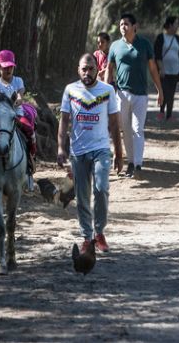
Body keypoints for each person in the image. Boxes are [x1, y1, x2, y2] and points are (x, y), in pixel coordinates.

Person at [57, 53, 123, 255]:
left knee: (101, 189)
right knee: (83, 197)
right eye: (84, 69)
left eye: (91, 68)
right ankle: (87, 237)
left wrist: (119, 154)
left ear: (97, 69)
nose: (87, 72)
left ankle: (99, 232)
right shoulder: (70, 90)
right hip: (78, 152)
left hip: (101, 150)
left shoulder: (107, 90)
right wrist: (61, 148)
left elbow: (114, 124)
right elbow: (64, 121)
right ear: (78, 70)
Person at [104, 13, 163, 178]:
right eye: (121, 24)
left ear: (135, 26)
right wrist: (106, 88)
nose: (123, 27)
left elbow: (152, 69)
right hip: (121, 95)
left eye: (126, 24)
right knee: (126, 130)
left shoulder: (144, 45)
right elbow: (109, 68)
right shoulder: (115, 46)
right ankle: (130, 162)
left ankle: (137, 164)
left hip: (141, 95)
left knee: (138, 129)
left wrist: (160, 90)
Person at [153, 16, 179, 121]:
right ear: (170, 25)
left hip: (175, 70)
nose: (177, 26)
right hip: (164, 71)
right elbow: (157, 54)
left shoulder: (177, 38)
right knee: (164, 91)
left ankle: (169, 114)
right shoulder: (161, 37)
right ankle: (162, 112)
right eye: (176, 24)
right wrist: (161, 68)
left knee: (171, 92)